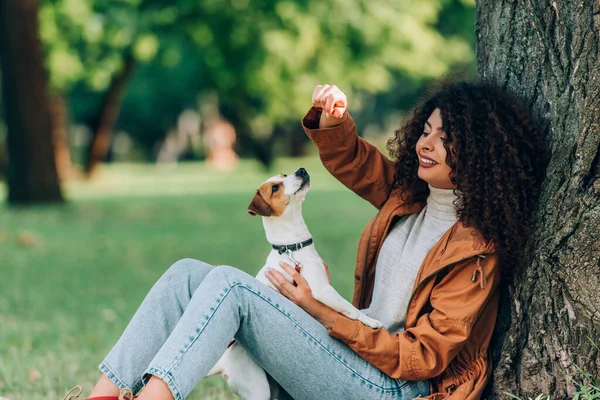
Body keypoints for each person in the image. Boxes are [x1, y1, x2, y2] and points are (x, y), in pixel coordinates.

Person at [64, 81, 547, 400]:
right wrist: (332, 117)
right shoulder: (412, 197)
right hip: (351, 358)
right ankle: (102, 397)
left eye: (444, 138)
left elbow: (421, 359)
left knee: (233, 287)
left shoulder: (476, 252)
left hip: (394, 390)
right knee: (187, 275)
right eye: (425, 130)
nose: (425, 144)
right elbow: (357, 162)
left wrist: (320, 309)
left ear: (480, 154)